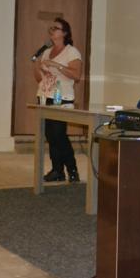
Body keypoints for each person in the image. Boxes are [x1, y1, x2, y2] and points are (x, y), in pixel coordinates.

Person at [33, 18, 83, 182]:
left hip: (62, 98)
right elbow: (39, 79)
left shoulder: (72, 52)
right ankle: (57, 170)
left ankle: (72, 170)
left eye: (56, 28)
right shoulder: (47, 51)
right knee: (51, 136)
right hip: (45, 96)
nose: (52, 30)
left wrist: (57, 65)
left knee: (59, 136)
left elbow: (76, 75)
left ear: (65, 33)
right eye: (52, 27)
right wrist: (38, 66)